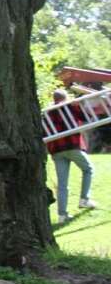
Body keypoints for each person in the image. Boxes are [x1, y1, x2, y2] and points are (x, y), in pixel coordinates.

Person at [45, 89, 97, 223]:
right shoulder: (70, 107)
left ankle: (62, 215)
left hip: (56, 150)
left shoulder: (48, 112)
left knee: (62, 184)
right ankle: (84, 199)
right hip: (72, 146)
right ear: (65, 97)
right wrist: (76, 104)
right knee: (88, 169)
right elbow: (87, 117)